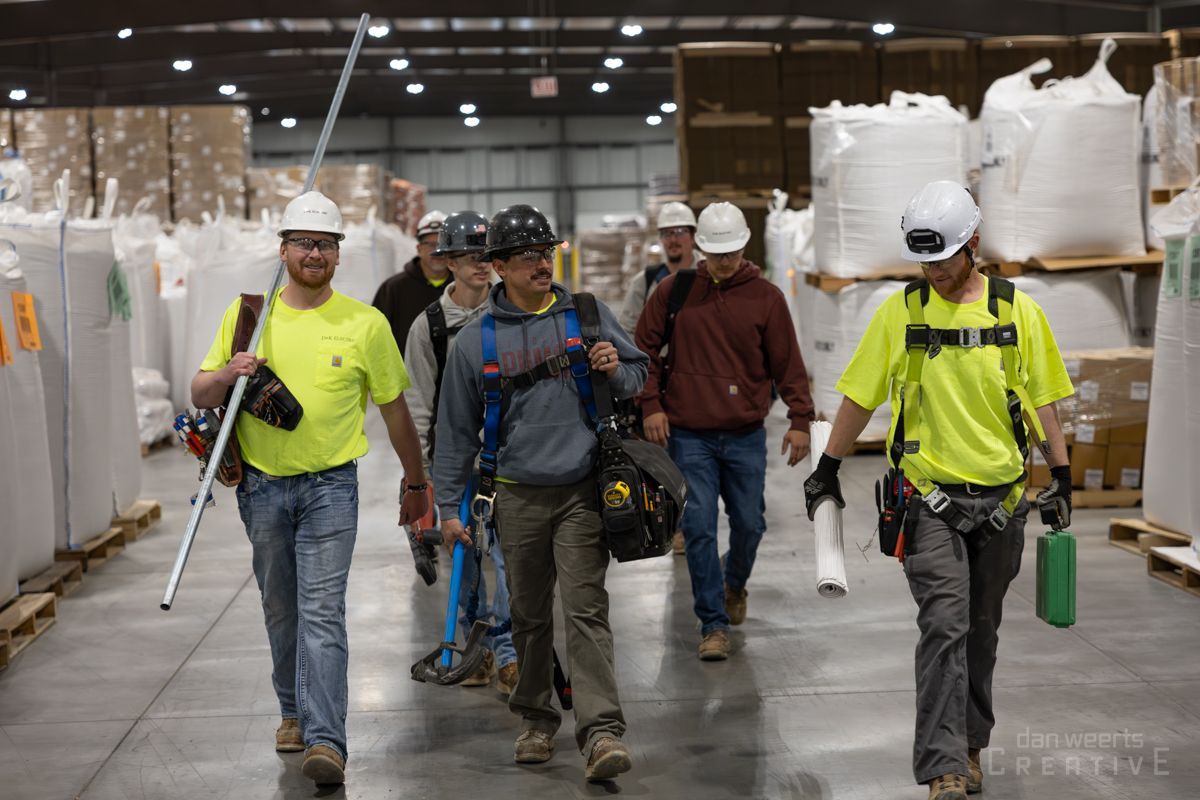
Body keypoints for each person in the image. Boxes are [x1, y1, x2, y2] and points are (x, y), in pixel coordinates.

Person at [802, 182, 1074, 800]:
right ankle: (943, 765)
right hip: (929, 501)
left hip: (1004, 503)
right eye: (923, 261)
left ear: (974, 245)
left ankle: (972, 746)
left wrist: (1059, 475)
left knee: (983, 631)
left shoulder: (1015, 312)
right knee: (944, 627)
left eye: (943, 259)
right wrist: (827, 467)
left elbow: (1044, 401)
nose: (933, 272)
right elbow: (860, 395)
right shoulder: (901, 313)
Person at [191, 191, 429, 787]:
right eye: (304, 242)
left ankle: (328, 740)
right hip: (262, 489)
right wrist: (228, 373)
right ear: (284, 250)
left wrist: (416, 479)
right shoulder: (249, 316)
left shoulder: (365, 324)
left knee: (322, 613)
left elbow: (395, 410)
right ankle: (292, 712)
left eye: (325, 243)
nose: (314, 252)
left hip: (331, 488)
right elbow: (200, 393)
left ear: (339, 253)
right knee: (281, 610)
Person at [432, 204, 648, 783]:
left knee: (586, 610)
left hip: (582, 491)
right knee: (527, 616)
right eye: (526, 256)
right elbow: (453, 434)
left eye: (545, 253)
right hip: (515, 496)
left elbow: (638, 375)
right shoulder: (475, 342)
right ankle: (535, 718)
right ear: (496, 265)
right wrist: (448, 510)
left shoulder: (587, 314)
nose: (540, 264)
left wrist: (613, 369)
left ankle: (601, 732)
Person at [636, 201, 815, 662]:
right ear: (702, 249)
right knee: (697, 527)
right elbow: (643, 352)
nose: (725, 262)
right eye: (717, 254)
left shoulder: (766, 298)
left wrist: (800, 419)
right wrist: (650, 405)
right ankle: (712, 623)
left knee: (750, 523)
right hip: (688, 435)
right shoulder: (674, 291)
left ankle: (734, 583)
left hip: (745, 435)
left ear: (744, 247)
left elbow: (788, 364)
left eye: (732, 253)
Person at [403, 210, 517, 695]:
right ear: (447, 261)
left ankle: (510, 652)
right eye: (469, 257)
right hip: (456, 465)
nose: (480, 265)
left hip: (509, 460)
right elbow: (416, 404)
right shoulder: (428, 327)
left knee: (512, 559)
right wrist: (426, 478)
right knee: (465, 560)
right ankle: (478, 651)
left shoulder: (508, 315)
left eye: (485, 255)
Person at [372, 209, 449, 355]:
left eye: (442, 244)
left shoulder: (462, 286)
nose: (437, 251)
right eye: (431, 245)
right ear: (419, 249)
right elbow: (376, 337)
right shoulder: (393, 289)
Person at [617, 201, 699, 336]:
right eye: (667, 233)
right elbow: (626, 331)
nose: (673, 240)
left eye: (680, 232)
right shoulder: (644, 281)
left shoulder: (708, 274)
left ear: (693, 236)